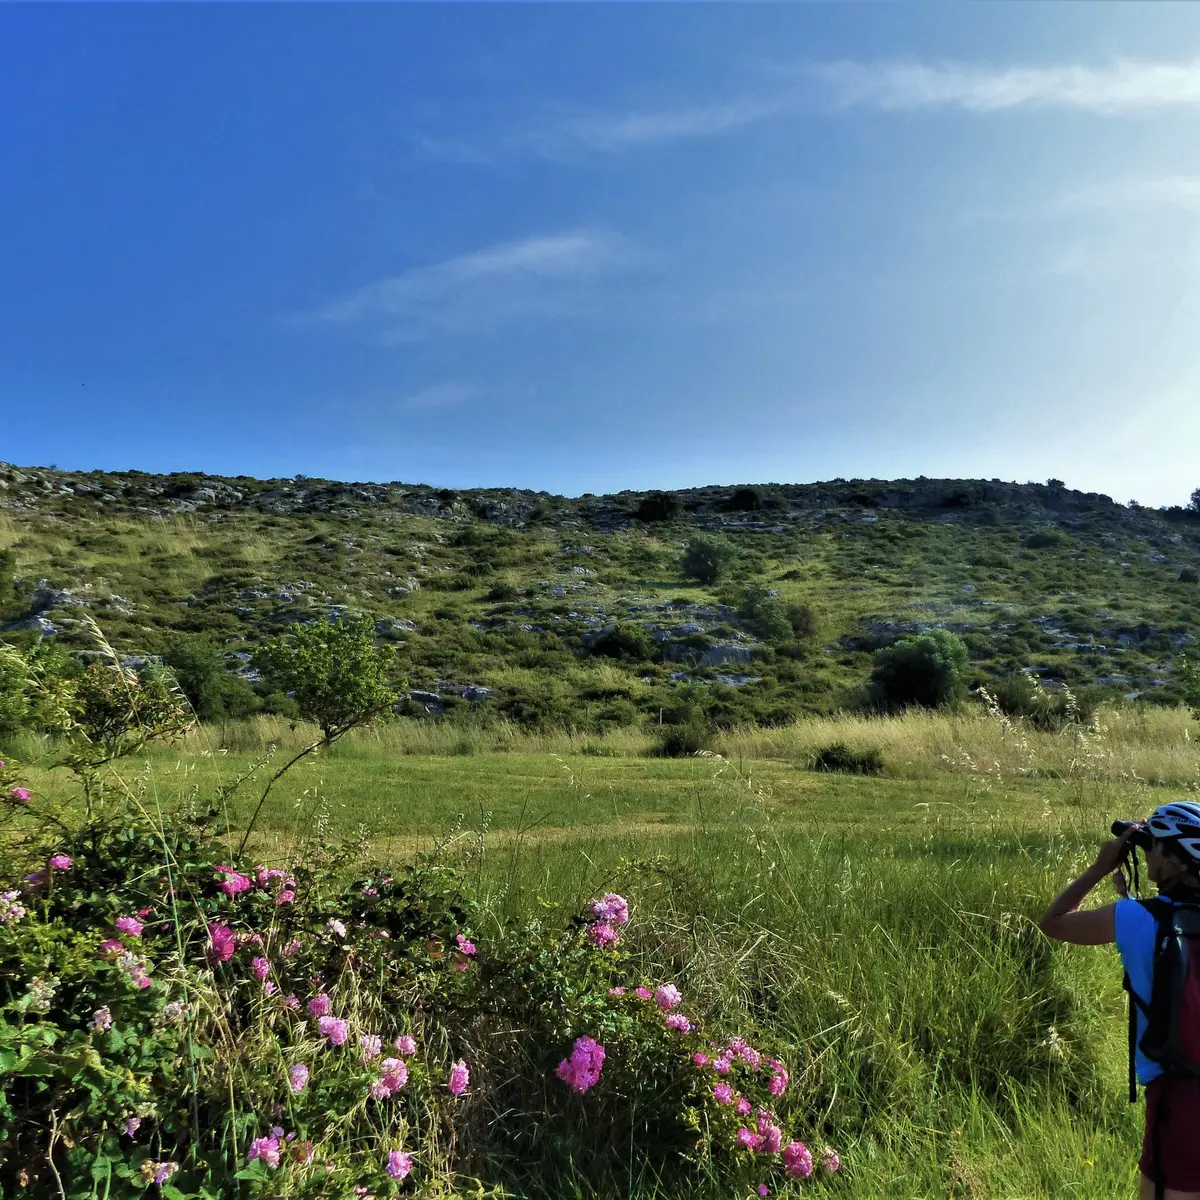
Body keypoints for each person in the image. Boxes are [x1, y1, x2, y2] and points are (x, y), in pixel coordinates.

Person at [1038, 803, 1200, 1200]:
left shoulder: (1136, 919)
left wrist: (1101, 866)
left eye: (1152, 845)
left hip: (1180, 1101)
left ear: (1174, 860)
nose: (1146, 853)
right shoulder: (1139, 916)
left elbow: (1054, 921)